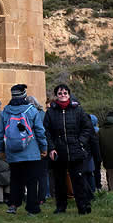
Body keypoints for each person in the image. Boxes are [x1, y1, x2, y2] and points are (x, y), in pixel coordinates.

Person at [43, 83, 93, 215]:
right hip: (58, 151)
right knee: (59, 181)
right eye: (60, 93)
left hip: (75, 150)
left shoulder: (78, 110)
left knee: (79, 180)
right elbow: (46, 132)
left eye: (65, 93)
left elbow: (87, 128)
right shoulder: (50, 112)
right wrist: (51, 148)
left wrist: (81, 142)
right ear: (56, 96)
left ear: (69, 95)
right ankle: (60, 207)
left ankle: (83, 206)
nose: (63, 95)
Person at [0, 83, 48, 215]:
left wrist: (1, 150)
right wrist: (43, 148)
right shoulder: (32, 110)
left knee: (15, 179)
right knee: (32, 181)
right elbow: (39, 132)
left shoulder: (6, 111)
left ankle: (13, 205)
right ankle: (32, 208)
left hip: (12, 152)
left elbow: (0, 133)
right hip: (31, 152)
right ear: (24, 96)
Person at [27, 95, 50, 204]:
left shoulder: (26, 114)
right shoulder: (43, 114)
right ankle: (42, 197)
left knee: (31, 174)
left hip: (30, 148)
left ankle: (32, 197)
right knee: (43, 174)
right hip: (42, 147)